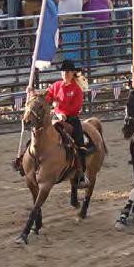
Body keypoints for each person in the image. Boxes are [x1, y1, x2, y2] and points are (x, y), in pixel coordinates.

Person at [45, 60, 89, 188]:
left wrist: (61, 111)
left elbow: (76, 107)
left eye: (67, 72)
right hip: (57, 118)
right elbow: (47, 97)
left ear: (73, 73)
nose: (65, 74)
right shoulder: (56, 85)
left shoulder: (77, 89)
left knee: (80, 143)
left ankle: (80, 173)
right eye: (63, 71)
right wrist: (33, 93)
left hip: (72, 120)